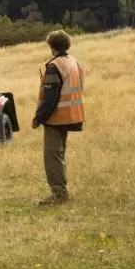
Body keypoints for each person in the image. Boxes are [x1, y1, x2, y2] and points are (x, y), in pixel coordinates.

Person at [31, 30, 85, 206]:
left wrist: (38, 118)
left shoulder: (55, 66)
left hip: (56, 118)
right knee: (60, 154)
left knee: (52, 156)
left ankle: (59, 194)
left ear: (51, 46)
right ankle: (62, 191)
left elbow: (50, 98)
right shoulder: (73, 61)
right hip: (72, 115)